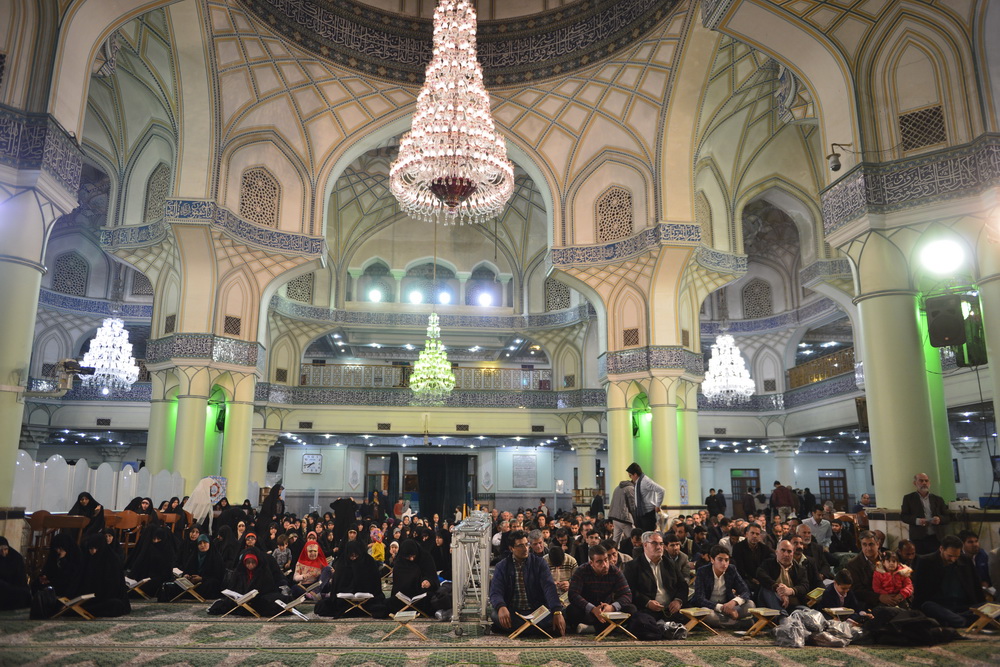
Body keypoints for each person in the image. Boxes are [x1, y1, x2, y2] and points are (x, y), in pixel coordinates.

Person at [488, 530, 566, 636]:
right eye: (520, 546)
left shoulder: (539, 563)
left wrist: (557, 611)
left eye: (527, 544)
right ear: (511, 548)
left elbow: (549, 588)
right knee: (495, 614)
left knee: (562, 612)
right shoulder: (502, 566)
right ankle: (537, 629)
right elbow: (495, 592)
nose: (525, 549)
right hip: (514, 612)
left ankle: (520, 629)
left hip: (537, 611)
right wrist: (501, 606)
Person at [912, 534, 985, 628]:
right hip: (941, 606)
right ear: (941, 549)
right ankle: (962, 621)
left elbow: (976, 586)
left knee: (994, 607)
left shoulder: (965, 560)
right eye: (950, 556)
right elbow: (919, 592)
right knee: (928, 606)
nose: (953, 559)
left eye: (956, 556)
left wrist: (984, 606)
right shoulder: (926, 562)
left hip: (964, 606)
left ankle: (957, 619)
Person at [622, 531, 688, 633]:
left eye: (661, 544)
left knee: (693, 613)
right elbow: (630, 591)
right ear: (645, 545)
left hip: (670, 609)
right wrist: (647, 602)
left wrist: (678, 601)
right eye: (654, 543)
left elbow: (683, 586)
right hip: (648, 610)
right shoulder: (633, 566)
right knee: (640, 621)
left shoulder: (669, 564)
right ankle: (665, 628)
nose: (659, 547)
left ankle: (663, 626)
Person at [567, 544, 635, 635]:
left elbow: (627, 594)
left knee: (631, 609)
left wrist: (612, 607)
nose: (604, 565)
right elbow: (573, 594)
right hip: (588, 610)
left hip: (607, 610)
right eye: (599, 562)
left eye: (606, 560)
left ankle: (592, 628)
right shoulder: (581, 571)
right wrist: (593, 609)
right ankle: (611, 628)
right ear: (591, 563)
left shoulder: (614, 571)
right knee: (572, 610)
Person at [316, 540, 387, 617]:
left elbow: (375, 582)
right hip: (344, 601)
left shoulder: (369, 561)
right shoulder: (342, 562)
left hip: (367, 600)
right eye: (351, 556)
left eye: (356, 555)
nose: (353, 558)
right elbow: (337, 583)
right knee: (322, 606)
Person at [690, 545, 753, 627]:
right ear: (712, 560)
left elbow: (745, 591)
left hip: (728, 605)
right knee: (705, 613)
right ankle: (737, 623)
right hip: (711, 608)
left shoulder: (731, 569)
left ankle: (724, 622)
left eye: (726, 560)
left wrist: (734, 602)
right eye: (720, 560)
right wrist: (721, 608)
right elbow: (700, 598)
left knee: (750, 604)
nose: (724, 563)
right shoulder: (702, 571)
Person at [208, 551, 281, 617]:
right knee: (226, 603)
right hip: (241, 599)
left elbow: (267, 589)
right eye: (248, 562)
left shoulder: (263, 573)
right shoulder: (239, 573)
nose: (250, 565)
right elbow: (234, 587)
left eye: (253, 562)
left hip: (257, 600)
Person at [79, 533, 131, 617]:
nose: (93, 552)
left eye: (96, 548)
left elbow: (114, 586)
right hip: (90, 597)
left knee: (115, 604)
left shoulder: (112, 560)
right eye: (91, 549)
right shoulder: (89, 558)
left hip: (107, 597)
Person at [900, 472, 950, 554]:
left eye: (926, 481)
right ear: (915, 483)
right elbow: (904, 516)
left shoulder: (938, 499)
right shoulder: (908, 498)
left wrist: (939, 519)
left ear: (929, 483)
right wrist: (917, 521)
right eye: (921, 481)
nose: (924, 483)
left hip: (936, 537)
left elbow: (947, 517)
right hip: (918, 538)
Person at [845, 530, 895, 611]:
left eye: (871, 544)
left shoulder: (888, 558)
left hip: (892, 596)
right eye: (864, 545)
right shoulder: (853, 565)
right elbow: (857, 590)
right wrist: (879, 597)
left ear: (878, 544)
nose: (868, 548)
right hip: (871, 604)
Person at [756, 539, 810, 613]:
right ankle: (782, 616)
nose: (786, 554)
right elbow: (760, 575)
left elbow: (805, 586)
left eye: (789, 551)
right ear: (776, 552)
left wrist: (790, 591)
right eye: (783, 550)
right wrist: (778, 588)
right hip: (772, 605)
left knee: (810, 614)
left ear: (793, 553)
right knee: (766, 589)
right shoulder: (767, 564)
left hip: (794, 605)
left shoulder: (800, 569)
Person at [389, 538, 438, 616]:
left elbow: (433, 578)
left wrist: (428, 582)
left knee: (431, 599)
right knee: (390, 602)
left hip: (421, 595)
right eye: (408, 557)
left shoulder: (425, 558)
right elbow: (397, 585)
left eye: (413, 556)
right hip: (403, 596)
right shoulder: (399, 562)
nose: (411, 559)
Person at [731, 523, 773, 595]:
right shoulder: (738, 547)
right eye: (752, 533)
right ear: (746, 534)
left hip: (760, 578)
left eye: (757, 534)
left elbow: (765, 566)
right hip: (744, 578)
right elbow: (739, 568)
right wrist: (751, 579)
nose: (755, 536)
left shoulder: (764, 548)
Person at [626, 463, 664, 533]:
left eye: (630, 475)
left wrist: (658, 505)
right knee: (641, 535)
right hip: (641, 513)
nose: (630, 478)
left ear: (635, 474)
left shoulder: (646, 481)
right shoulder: (638, 482)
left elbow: (661, 490)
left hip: (648, 514)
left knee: (648, 535)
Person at [0, 536, 31, 609]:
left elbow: (21, 580)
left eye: (5, 549)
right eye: (1, 550)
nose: (3, 552)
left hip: (14, 588)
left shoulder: (16, 558)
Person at [608, 480, 636, 545]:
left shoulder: (617, 488)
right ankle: (632, 551)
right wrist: (635, 517)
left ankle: (613, 550)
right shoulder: (630, 488)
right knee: (632, 538)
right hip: (624, 518)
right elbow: (632, 505)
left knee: (616, 539)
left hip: (615, 517)